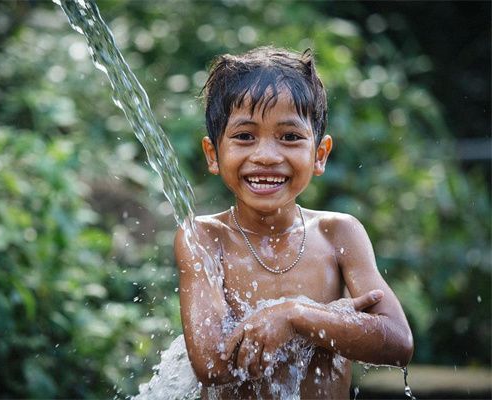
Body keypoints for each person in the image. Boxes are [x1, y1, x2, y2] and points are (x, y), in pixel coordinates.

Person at [174, 47, 413, 399]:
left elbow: (397, 343)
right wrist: (330, 318)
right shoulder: (206, 238)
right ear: (214, 155)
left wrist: (298, 316)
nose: (266, 156)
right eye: (244, 136)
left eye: (289, 137)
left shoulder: (338, 234)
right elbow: (212, 365)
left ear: (319, 155)